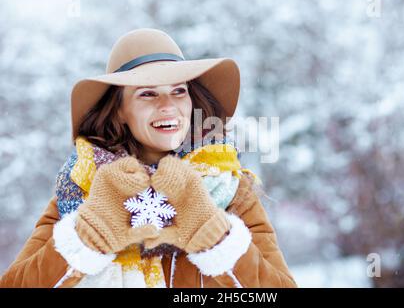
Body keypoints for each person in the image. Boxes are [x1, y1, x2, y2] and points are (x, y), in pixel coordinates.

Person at [0, 28, 297, 288]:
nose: (168, 106)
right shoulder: (82, 191)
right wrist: (86, 237)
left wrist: (215, 234)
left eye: (179, 91)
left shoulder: (232, 192)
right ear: (119, 110)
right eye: (147, 94)